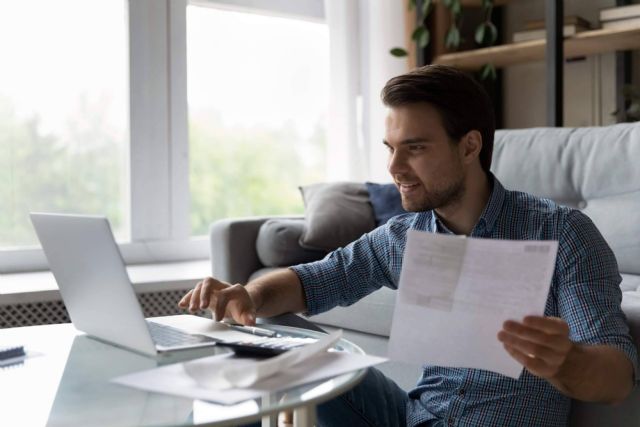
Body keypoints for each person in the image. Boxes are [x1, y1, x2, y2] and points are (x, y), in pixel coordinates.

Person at [178, 65, 638, 426]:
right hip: (406, 418)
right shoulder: (405, 236)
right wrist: (249, 295)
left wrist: (567, 362)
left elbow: (616, 378)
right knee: (282, 353)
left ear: (469, 146)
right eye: (390, 147)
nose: (394, 166)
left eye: (414, 148)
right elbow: (314, 278)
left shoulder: (562, 234)